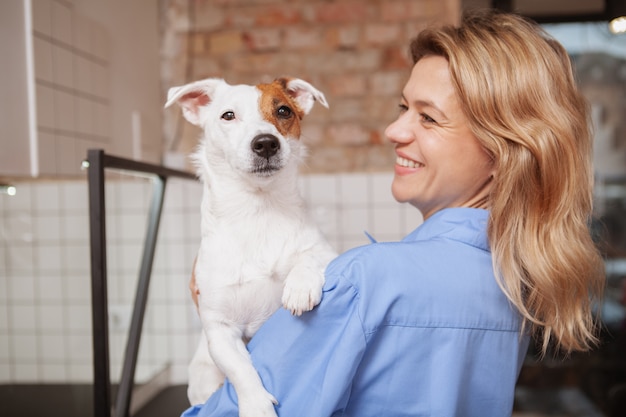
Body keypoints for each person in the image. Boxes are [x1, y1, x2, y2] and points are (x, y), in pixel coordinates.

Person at [181, 9, 605, 417]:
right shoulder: (515, 277)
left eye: (429, 118)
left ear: (501, 152)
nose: (394, 131)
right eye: (404, 109)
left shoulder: (363, 282)